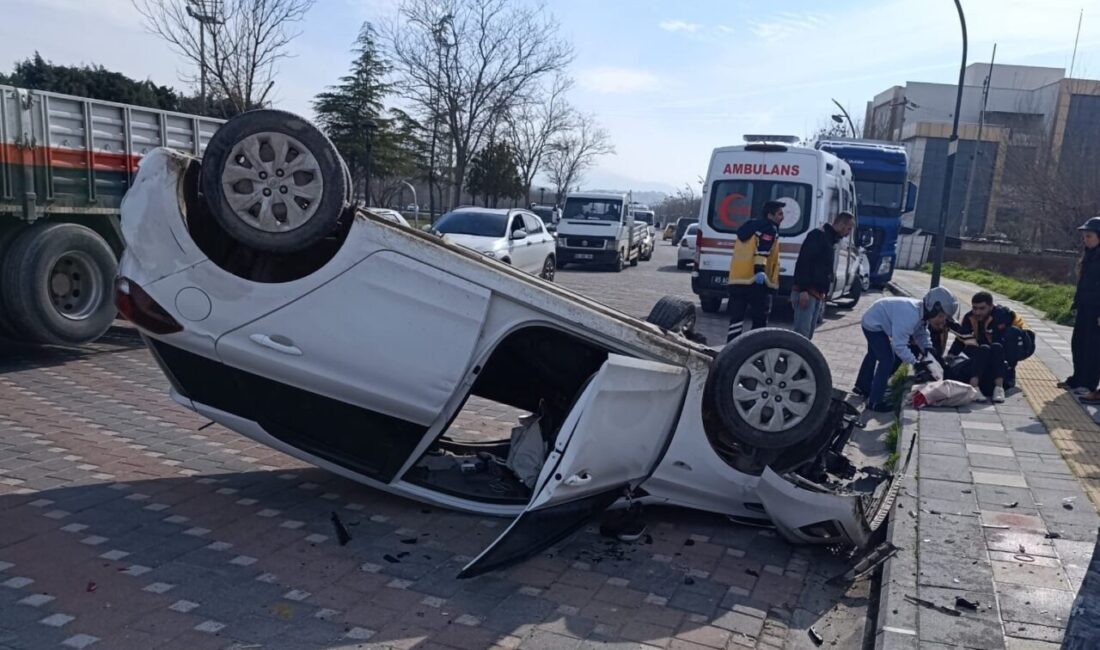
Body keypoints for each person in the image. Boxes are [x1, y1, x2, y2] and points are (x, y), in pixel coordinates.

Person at [855, 287, 958, 412]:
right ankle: (874, 402)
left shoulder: (921, 313)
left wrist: (927, 347)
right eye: (941, 316)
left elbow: (921, 332)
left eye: (945, 318)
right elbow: (899, 345)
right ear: (932, 307)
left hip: (877, 315)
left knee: (874, 354)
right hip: (873, 323)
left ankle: (862, 387)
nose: (942, 321)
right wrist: (915, 363)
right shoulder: (910, 316)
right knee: (887, 360)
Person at [946, 291, 1035, 403]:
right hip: (984, 353)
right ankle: (975, 386)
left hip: (1012, 350)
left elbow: (1012, 343)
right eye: (975, 308)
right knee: (983, 348)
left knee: (998, 345)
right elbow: (961, 339)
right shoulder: (969, 318)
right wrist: (950, 356)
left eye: (982, 308)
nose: (977, 312)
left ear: (991, 307)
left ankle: (1001, 385)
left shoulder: (1003, 316)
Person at [791, 211, 855, 339]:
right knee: (801, 335)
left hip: (817, 294)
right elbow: (804, 262)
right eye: (848, 229)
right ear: (841, 224)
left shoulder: (830, 240)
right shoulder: (818, 236)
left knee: (807, 336)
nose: (848, 233)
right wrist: (803, 290)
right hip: (807, 292)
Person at [726, 201, 784, 343]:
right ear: (770, 215)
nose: (782, 217)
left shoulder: (749, 226)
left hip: (737, 278)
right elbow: (762, 252)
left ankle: (732, 345)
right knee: (760, 318)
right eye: (779, 214)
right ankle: (753, 348)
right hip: (756, 282)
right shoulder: (769, 229)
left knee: (736, 318)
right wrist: (760, 271)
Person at [1062, 217, 1100, 403]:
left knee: (1093, 347)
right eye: (1085, 236)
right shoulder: (1089, 255)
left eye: (1089, 236)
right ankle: (1077, 378)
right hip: (1085, 306)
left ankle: (1088, 383)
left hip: (1097, 309)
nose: (1086, 240)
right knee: (1079, 343)